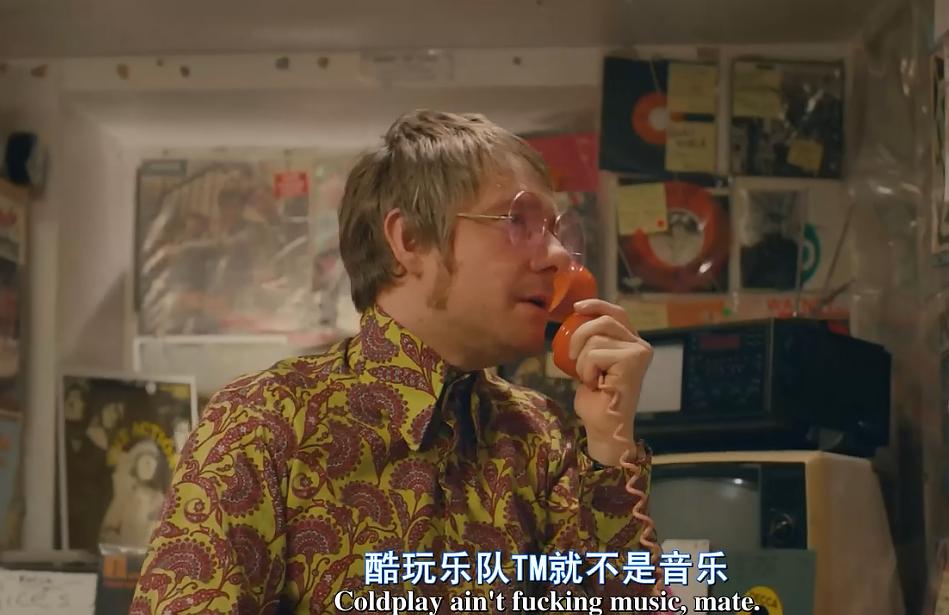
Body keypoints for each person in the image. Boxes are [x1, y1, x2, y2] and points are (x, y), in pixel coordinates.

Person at [132, 110, 658, 614]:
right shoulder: (264, 422)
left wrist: (609, 444)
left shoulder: (543, 436)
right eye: (517, 221)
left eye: (557, 231)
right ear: (409, 240)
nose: (559, 256)